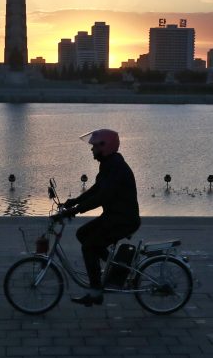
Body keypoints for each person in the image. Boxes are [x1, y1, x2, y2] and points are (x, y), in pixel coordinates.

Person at [54, 129, 141, 307]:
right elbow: (96, 189)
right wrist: (74, 201)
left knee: (89, 246)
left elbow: (102, 197)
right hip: (114, 217)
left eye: (94, 146)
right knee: (82, 234)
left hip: (123, 220)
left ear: (105, 146)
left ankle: (95, 292)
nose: (91, 149)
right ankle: (117, 268)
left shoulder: (116, 167)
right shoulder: (109, 164)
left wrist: (75, 211)